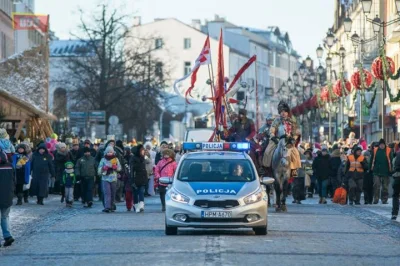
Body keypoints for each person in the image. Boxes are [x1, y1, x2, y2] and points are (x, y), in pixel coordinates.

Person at [262, 101, 301, 178]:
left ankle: (294, 171)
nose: (283, 113)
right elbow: (272, 130)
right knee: (267, 151)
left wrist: (293, 139)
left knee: (296, 154)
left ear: (287, 113)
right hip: (277, 140)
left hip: (289, 141)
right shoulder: (276, 121)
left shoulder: (292, 121)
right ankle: (266, 168)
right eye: (282, 112)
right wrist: (273, 136)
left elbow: (296, 132)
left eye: (285, 112)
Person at [98, 146, 121, 213]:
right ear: (105, 152)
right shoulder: (103, 159)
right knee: (107, 193)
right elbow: (99, 170)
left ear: (113, 152)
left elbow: (119, 168)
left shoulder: (116, 159)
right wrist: (103, 168)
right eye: (108, 152)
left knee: (113, 193)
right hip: (105, 178)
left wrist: (116, 167)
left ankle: (112, 206)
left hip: (113, 178)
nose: (109, 153)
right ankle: (107, 207)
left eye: (111, 152)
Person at [370, 139, 393, 204]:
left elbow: (391, 160)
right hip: (376, 171)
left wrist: (391, 170)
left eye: (383, 144)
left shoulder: (388, 150)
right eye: (381, 144)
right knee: (376, 185)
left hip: (386, 171)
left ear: (384, 144)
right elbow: (372, 159)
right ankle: (376, 199)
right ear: (379, 145)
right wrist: (370, 168)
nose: (382, 146)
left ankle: (384, 199)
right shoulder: (375, 150)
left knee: (385, 186)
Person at [0, 149, 15, 247]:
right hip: (7, 195)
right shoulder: (10, 166)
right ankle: (7, 236)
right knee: (5, 217)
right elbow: (14, 181)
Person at [130, 144, 148, 213]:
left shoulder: (143, 158)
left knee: (141, 191)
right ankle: (136, 205)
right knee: (135, 193)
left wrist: (146, 178)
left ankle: (141, 204)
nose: (143, 151)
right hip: (135, 178)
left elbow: (144, 169)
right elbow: (131, 169)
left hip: (142, 177)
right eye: (142, 150)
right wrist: (131, 179)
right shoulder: (133, 158)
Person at [392, 148, 400, 220]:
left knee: (395, 195)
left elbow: (393, 165)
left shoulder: (397, 155)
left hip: (397, 177)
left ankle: (394, 213)